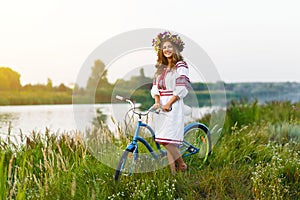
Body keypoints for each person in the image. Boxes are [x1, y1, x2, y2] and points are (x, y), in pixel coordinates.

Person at [151, 31, 190, 175]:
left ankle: (182, 164)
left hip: (173, 103)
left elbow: (182, 86)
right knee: (167, 141)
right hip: (162, 105)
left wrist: (169, 103)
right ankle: (173, 174)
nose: (167, 50)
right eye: (164, 47)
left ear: (175, 48)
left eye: (169, 46)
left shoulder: (181, 65)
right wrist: (157, 101)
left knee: (165, 140)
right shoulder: (160, 68)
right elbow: (155, 88)